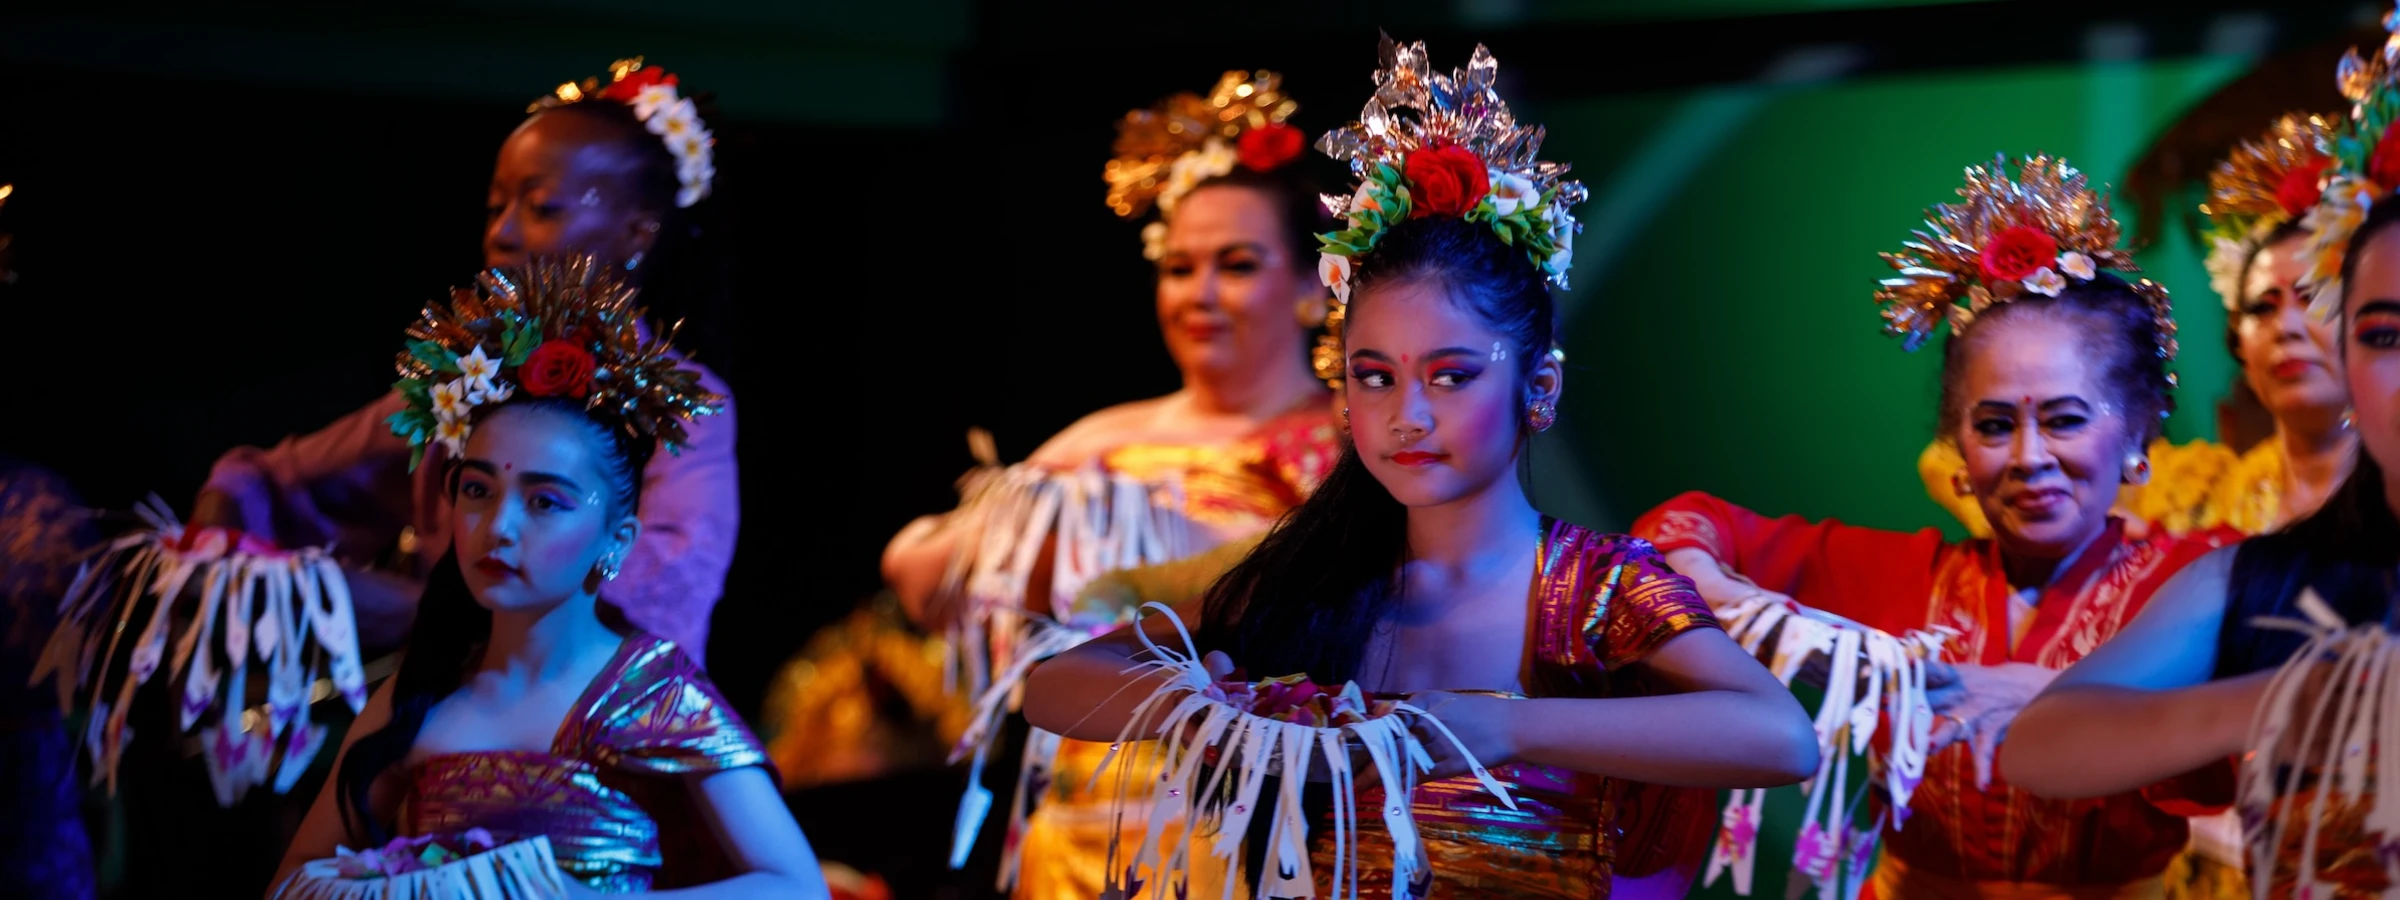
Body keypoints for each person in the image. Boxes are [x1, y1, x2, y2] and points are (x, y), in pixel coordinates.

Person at [1022, 38, 1818, 899]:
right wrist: (1213, 709)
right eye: (1375, 377)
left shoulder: (1594, 588)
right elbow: (1056, 687)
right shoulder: (1313, 581)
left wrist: (1511, 728)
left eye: (1451, 376)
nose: (1408, 416)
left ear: (1537, 387)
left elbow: (1781, 738)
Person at [1636, 154, 2239, 899]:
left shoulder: (2197, 579)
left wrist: (2066, 696)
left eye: (2064, 420)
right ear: (1956, 450)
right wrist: (1697, 580)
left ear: (2139, 437)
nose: (2029, 458)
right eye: (1993, 426)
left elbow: (2283, 716)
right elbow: (1685, 526)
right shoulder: (1900, 582)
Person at [808, 70, 1341, 900]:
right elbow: (920, 576)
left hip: (1243, 815)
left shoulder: (1348, 444)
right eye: (1179, 267)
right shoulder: (1105, 438)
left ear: (1313, 289)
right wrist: (1075, 552)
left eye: (1237, 265)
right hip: (1074, 819)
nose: (1200, 295)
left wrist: (1119, 563)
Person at [271, 257, 823, 897]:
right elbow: (291, 882)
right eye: (477, 490)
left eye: (544, 501)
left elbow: (795, 884)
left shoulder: (650, 693)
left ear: (616, 542)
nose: (498, 527)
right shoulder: (418, 695)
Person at [2002, 32, 2400, 894]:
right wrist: (2285, 699)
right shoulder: (2245, 565)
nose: (2293, 326)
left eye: (2317, 305)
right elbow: (2043, 742)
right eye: (2379, 334)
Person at [194, 59, 736, 662]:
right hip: (445, 709)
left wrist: (425, 612)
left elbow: (665, 587)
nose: (501, 232)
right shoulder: (464, 377)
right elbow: (274, 479)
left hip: (591, 722)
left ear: (637, 235)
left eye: (541, 207)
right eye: (495, 207)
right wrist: (211, 545)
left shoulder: (684, 406)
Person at [1921, 113, 2353, 546]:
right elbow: (1950, 453)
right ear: (2237, 338)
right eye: (2262, 307)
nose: (2286, 327)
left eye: (2314, 297)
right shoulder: (2198, 492)